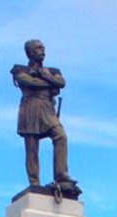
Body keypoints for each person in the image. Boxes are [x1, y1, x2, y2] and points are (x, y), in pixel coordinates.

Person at [12, 39, 75, 189]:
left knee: (61, 136)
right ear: (30, 52)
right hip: (30, 107)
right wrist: (49, 82)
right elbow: (28, 82)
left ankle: (62, 178)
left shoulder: (52, 70)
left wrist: (45, 75)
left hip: (47, 107)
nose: (43, 51)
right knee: (32, 147)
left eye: (43, 48)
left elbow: (61, 83)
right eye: (39, 48)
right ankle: (34, 183)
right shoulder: (20, 70)